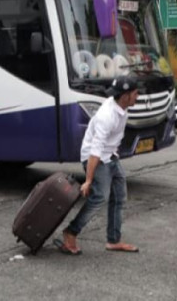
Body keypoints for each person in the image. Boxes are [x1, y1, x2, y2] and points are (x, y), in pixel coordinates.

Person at [56, 74, 141, 255]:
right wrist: (88, 180)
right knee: (99, 197)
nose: (138, 96)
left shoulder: (120, 105)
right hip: (95, 157)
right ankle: (71, 232)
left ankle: (113, 240)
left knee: (119, 196)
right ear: (125, 96)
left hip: (109, 155)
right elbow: (95, 150)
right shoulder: (106, 116)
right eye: (135, 93)